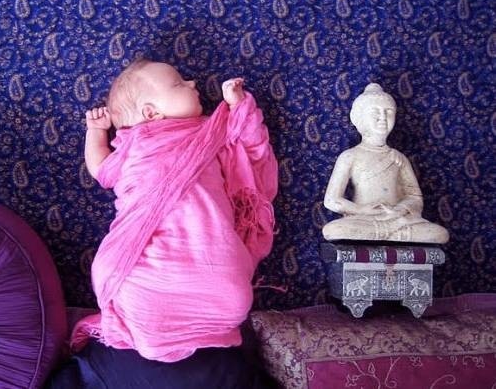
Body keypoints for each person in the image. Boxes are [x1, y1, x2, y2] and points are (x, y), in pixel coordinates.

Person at [46, 59, 279, 388]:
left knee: (161, 294)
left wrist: (240, 108)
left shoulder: (210, 132)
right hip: (161, 267)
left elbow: (249, 147)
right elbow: (101, 170)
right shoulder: (134, 142)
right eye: (180, 84)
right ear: (151, 112)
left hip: (205, 265)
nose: (194, 83)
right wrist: (96, 133)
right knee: (152, 293)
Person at [322, 83, 449, 244]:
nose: (383, 117)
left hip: (399, 220)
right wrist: (361, 210)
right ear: (358, 118)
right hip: (364, 219)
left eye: (388, 112)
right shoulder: (350, 156)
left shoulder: (399, 158)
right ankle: (388, 234)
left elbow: (415, 197)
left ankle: (385, 233)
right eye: (375, 112)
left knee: (439, 234)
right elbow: (331, 200)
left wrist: (399, 210)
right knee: (334, 230)